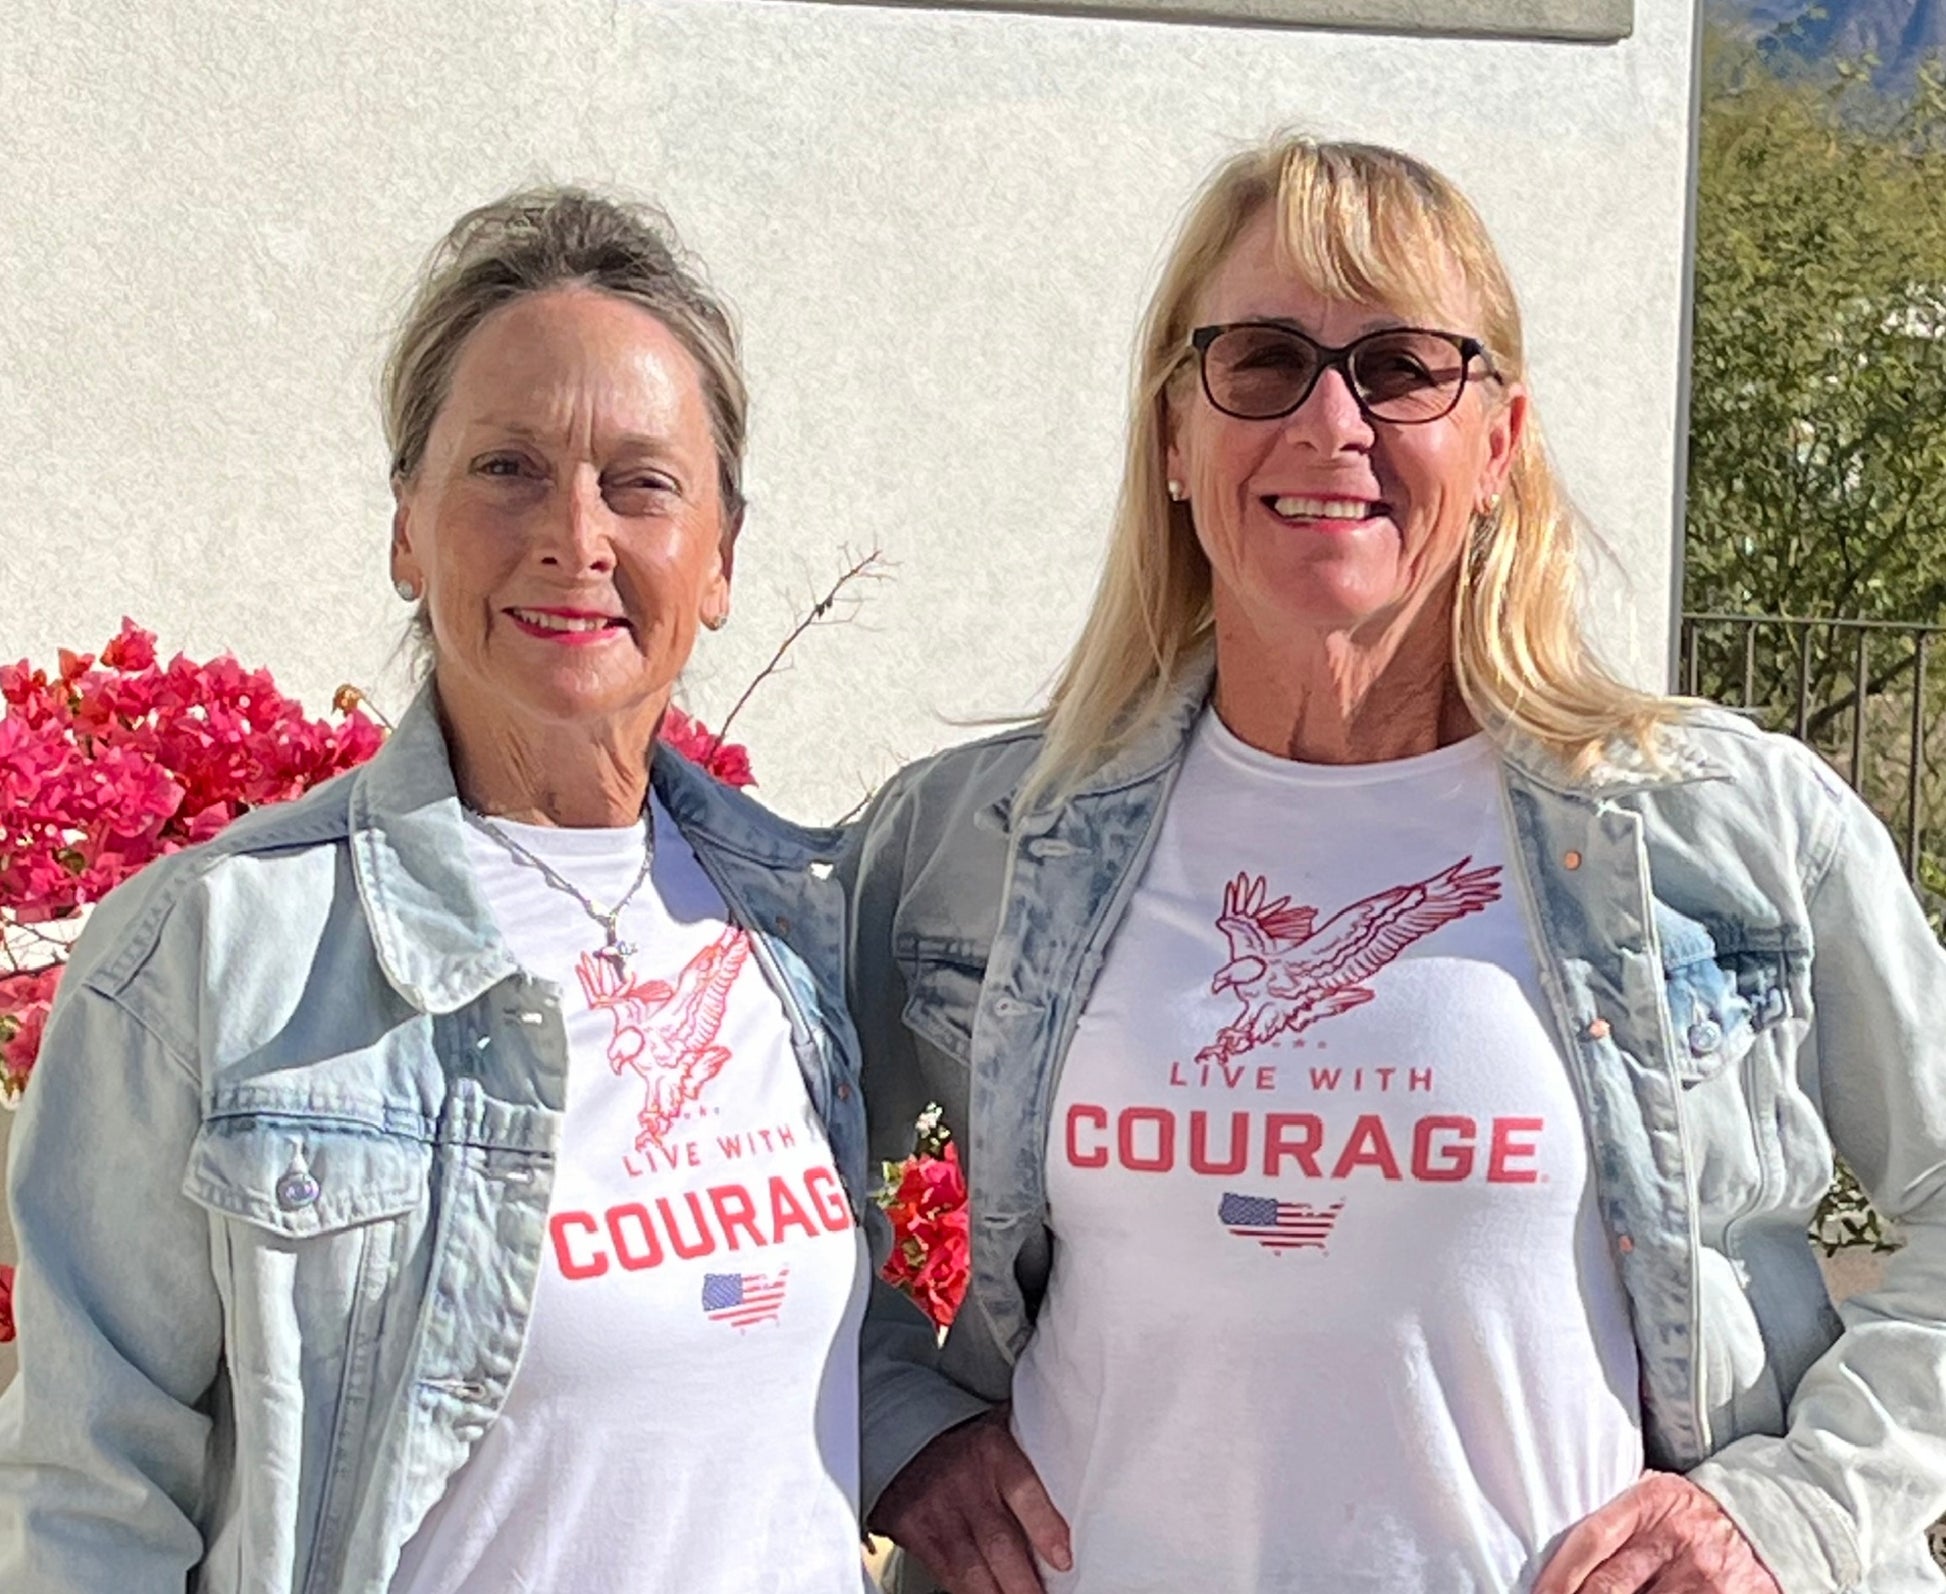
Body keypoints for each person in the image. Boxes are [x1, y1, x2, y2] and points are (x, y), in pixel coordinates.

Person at [843, 136, 1946, 1593]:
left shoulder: (1724, 828)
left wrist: (1790, 1509)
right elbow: (734, 1170)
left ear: (1497, 443)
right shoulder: (968, 842)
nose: (1327, 421)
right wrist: (901, 1419)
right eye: (1259, 359)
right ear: (1175, 436)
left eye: (1402, 367)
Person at [0, 189, 874, 1592]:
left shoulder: (806, 923)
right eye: (507, 468)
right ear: (407, 527)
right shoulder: (218, 955)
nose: (573, 536)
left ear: (717, 559)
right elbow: (86, 1496)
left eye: (641, 483)